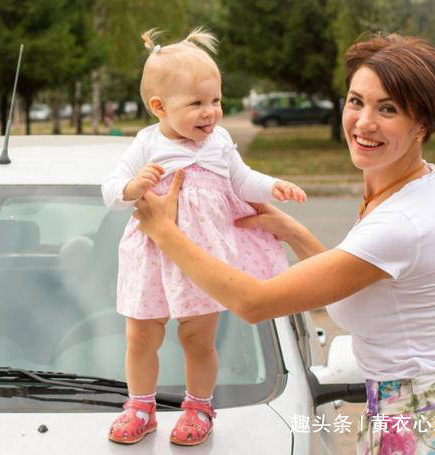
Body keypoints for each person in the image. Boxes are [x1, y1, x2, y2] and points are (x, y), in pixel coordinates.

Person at [133, 33, 435, 454]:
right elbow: (351, 279)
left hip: (419, 418)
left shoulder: (402, 222)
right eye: (356, 101)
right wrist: (292, 231)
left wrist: (165, 233)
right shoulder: (417, 185)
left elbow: (253, 303)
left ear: (423, 124)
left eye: (388, 109)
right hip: (426, 401)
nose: (363, 122)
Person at [101, 28, 307, 446]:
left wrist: (273, 187)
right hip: (153, 256)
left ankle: (199, 406)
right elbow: (110, 192)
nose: (210, 112)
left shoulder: (220, 143)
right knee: (142, 335)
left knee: (197, 338)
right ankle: (140, 406)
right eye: (196, 103)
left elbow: (242, 180)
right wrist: (134, 186)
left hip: (203, 259)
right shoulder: (146, 143)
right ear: (159, 106)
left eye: (215, 100)